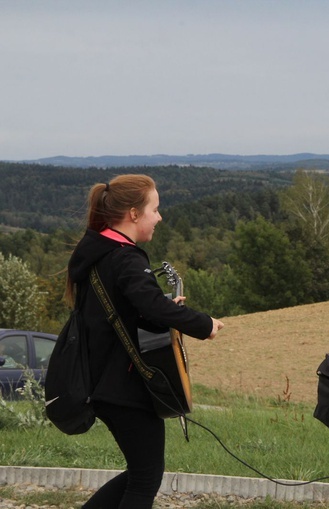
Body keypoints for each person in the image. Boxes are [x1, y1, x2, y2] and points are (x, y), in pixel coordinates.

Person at [65, 174, 224, 508]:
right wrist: (203, 323)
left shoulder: (98, 252)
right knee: (145, 478)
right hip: (122, 387)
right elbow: (148, 305)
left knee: (141, 472)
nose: (160, 217)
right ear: (134, 214)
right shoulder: (125, 258)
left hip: (101, 382)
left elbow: (122, 313)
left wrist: (163, 311)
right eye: (155, 209)